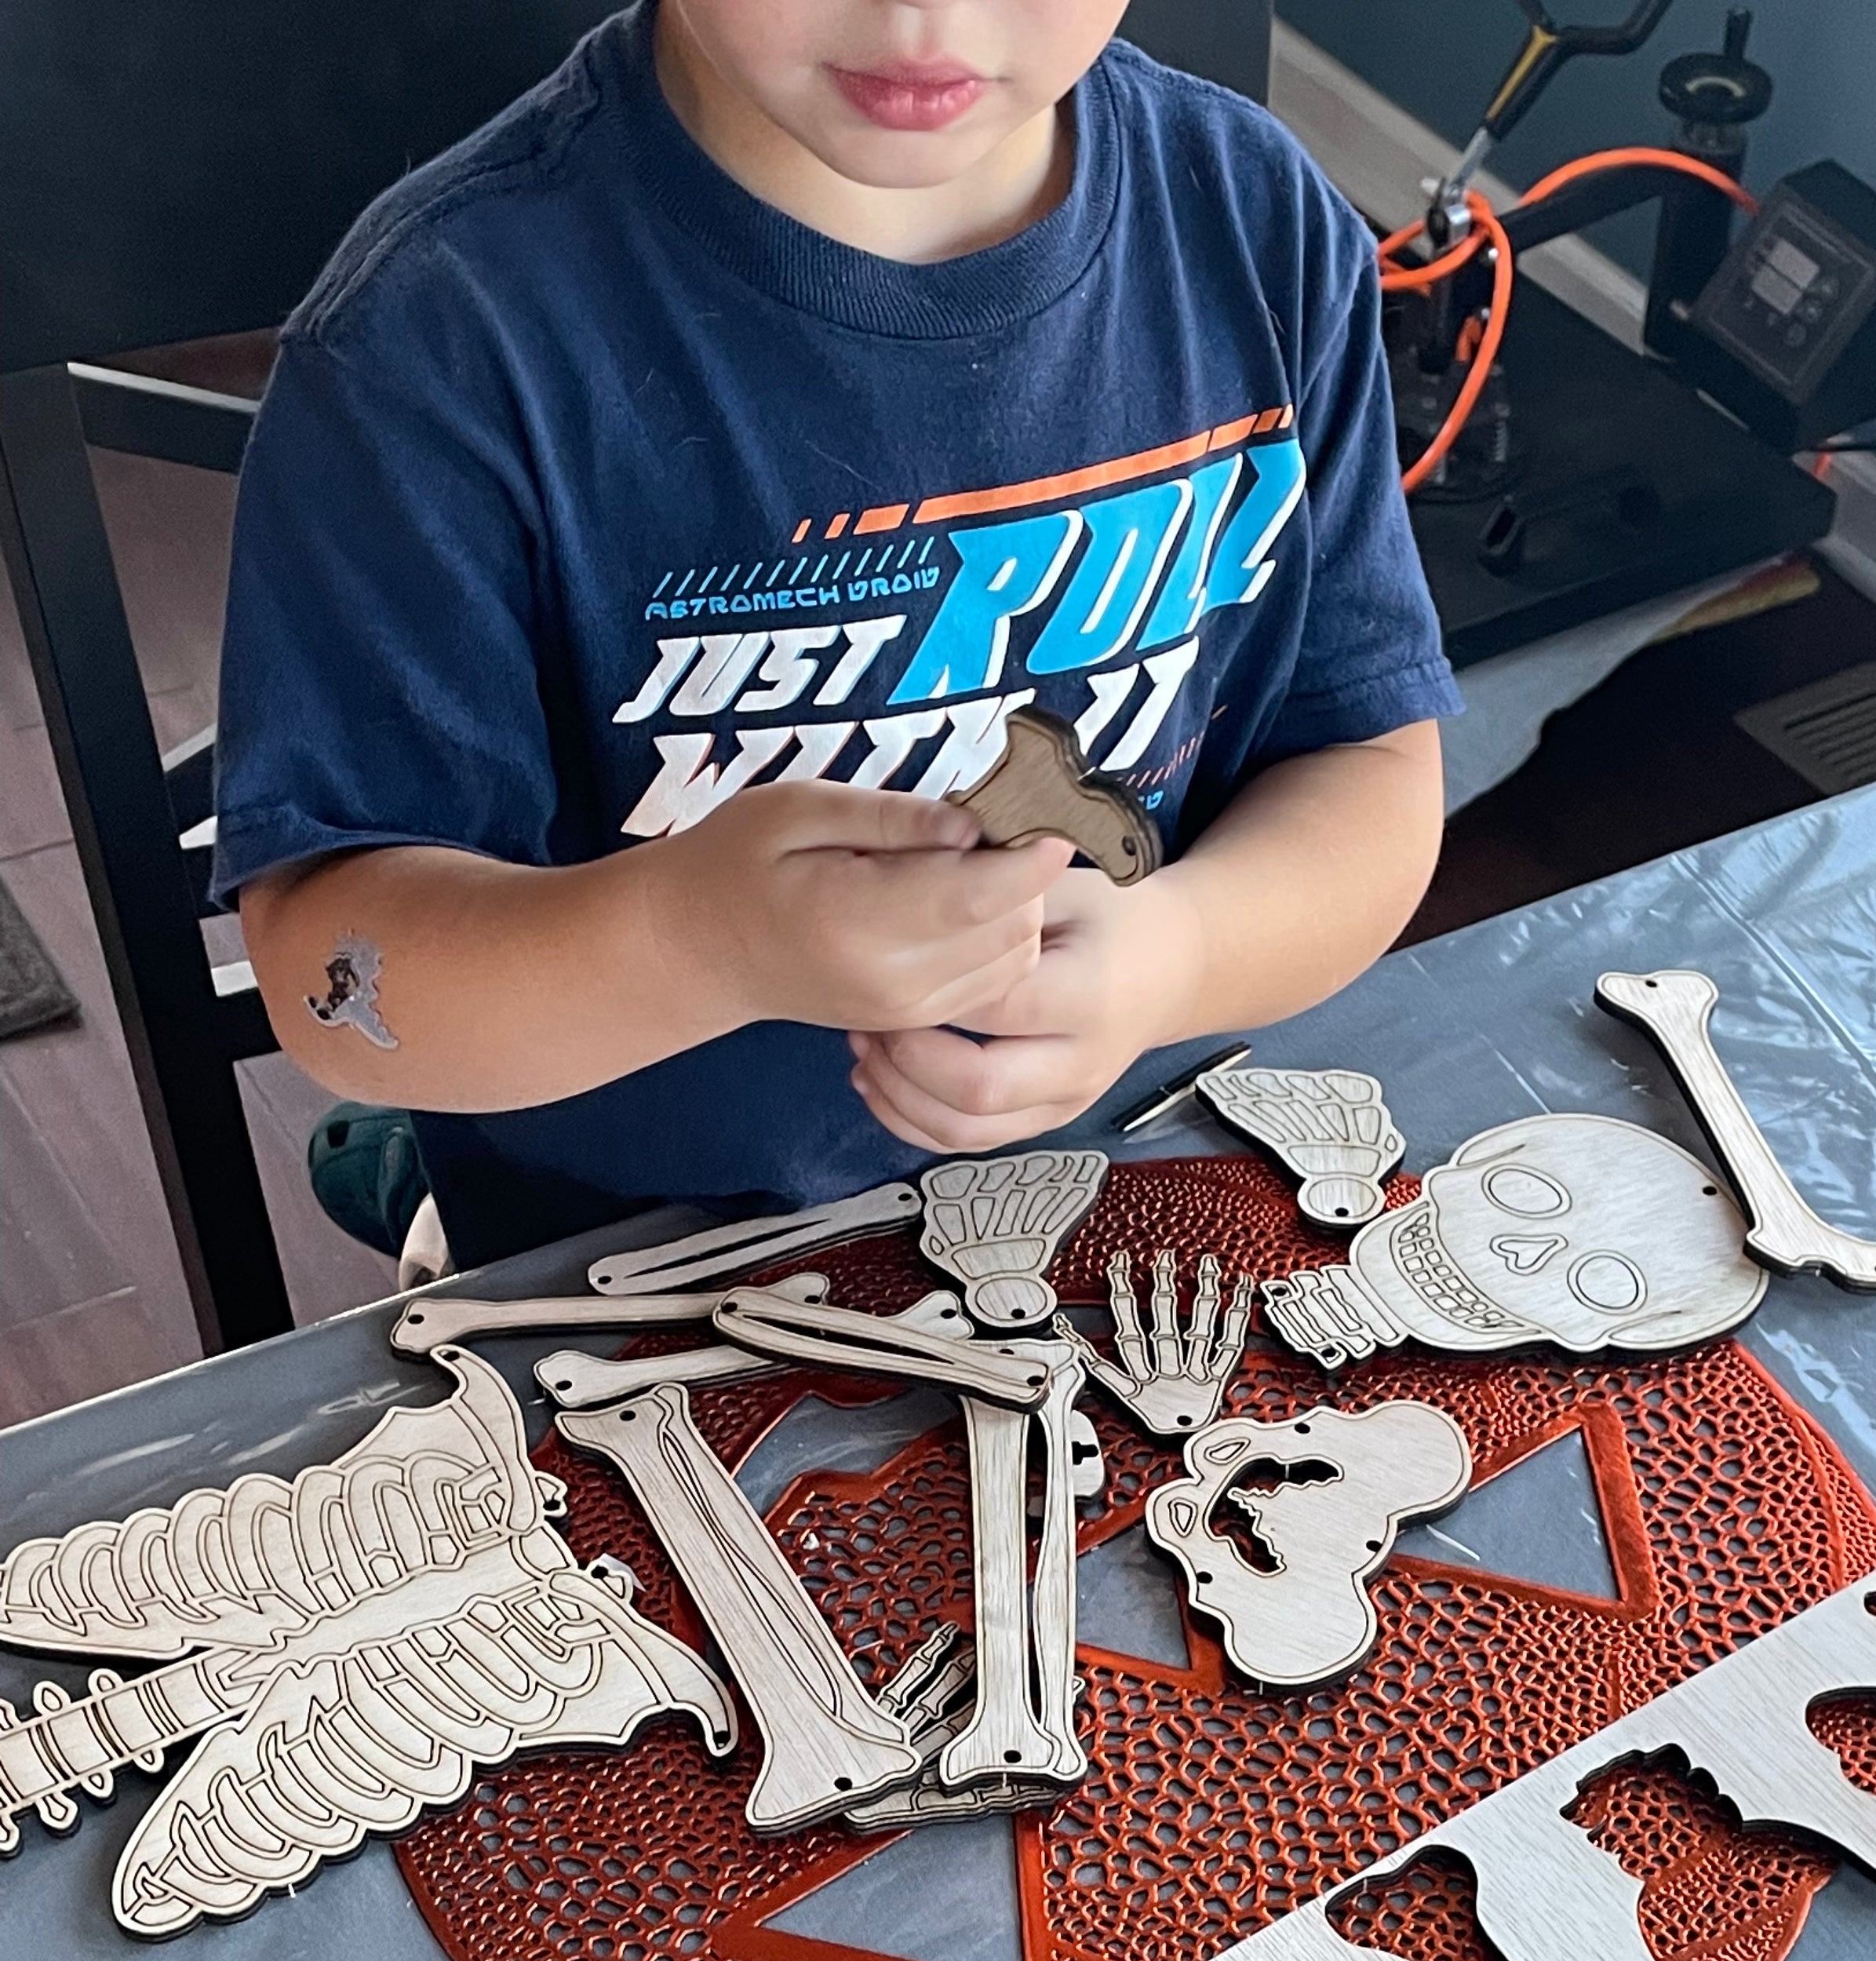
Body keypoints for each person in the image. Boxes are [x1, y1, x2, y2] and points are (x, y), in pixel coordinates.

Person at [216, 0, 1457, 1274]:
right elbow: (331, 970)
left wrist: (1176, 956)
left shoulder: (1258, 222)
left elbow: (1366, 764)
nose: (927, 17)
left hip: (1133, 1181)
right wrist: (694, 941)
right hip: (631, 1262)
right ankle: (412, 1178)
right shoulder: (433, 337)